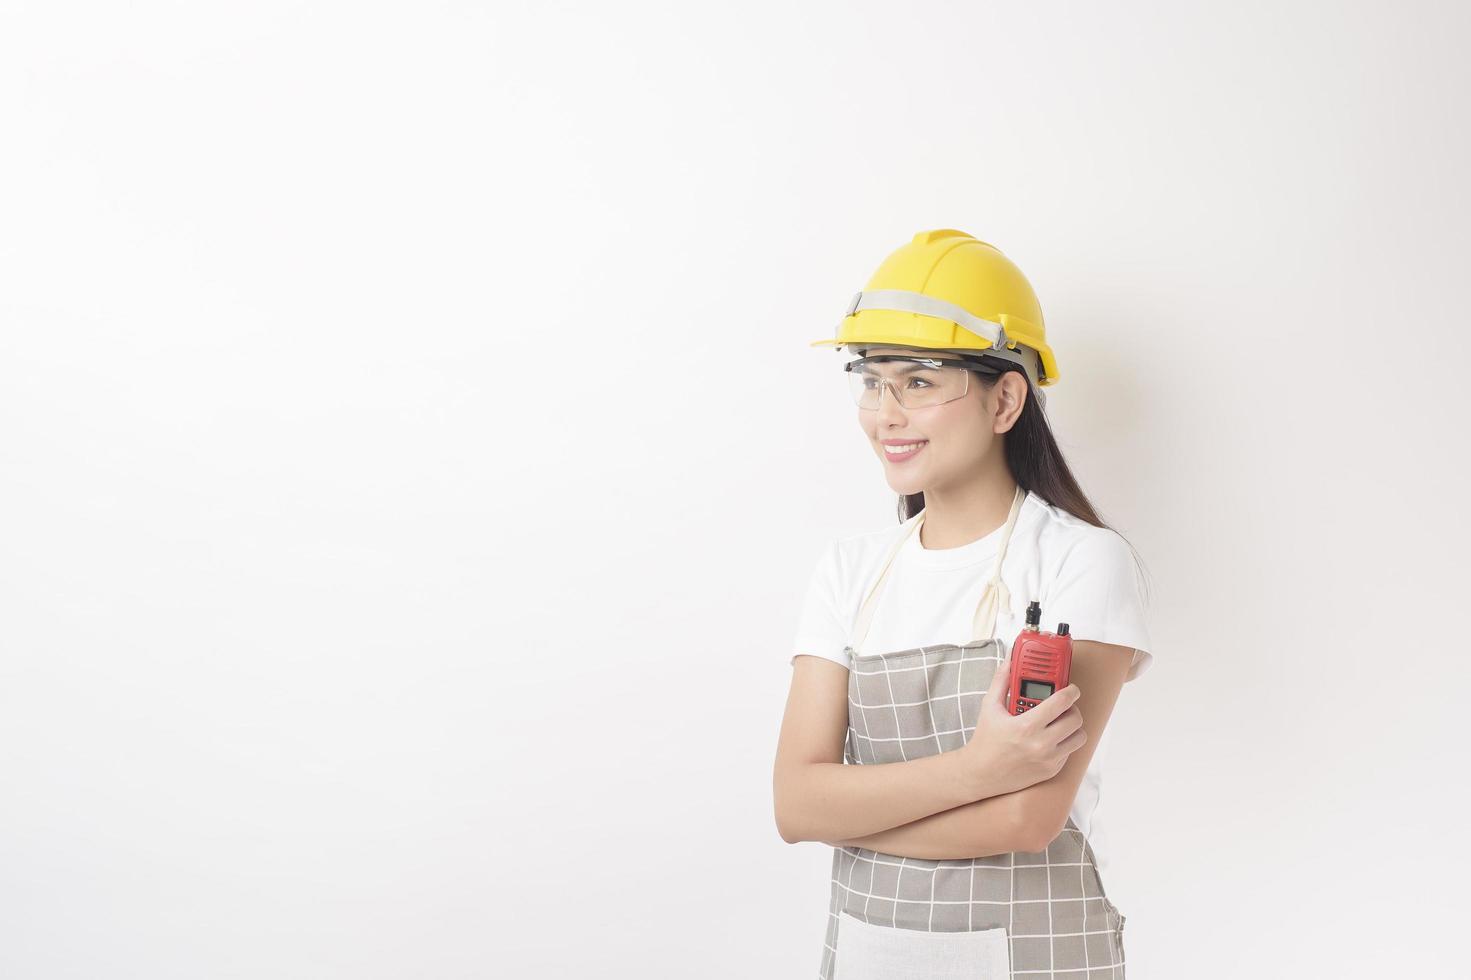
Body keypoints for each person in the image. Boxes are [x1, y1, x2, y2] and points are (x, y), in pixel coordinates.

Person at [773, 230, 1155, 979]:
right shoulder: (849, 570)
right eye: (872, 380)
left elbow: (1028, 818)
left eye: (918, 381)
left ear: (1004, 398)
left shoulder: (1079, 563)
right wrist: (982, 767)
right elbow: (795, 804)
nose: (885, 412)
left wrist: (853, 815)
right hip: (868, 957)